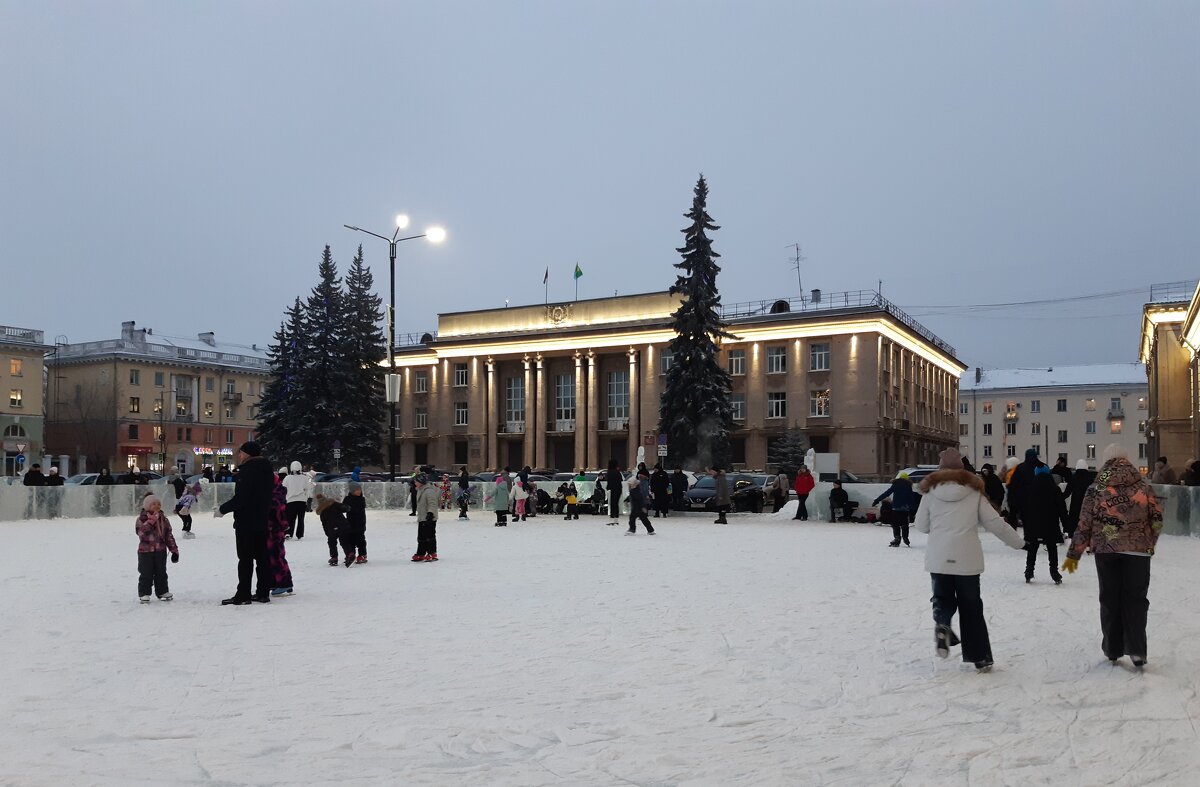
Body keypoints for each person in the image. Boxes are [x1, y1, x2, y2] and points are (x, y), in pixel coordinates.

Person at [914, 448, 1027, 673]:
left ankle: (943, 624)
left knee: (942, 599)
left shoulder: (930, 493)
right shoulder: (974, 493)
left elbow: (921, 526)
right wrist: (1019, 543)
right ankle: (980, 658)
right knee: (972, 606)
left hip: (939, 558)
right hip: (967, 560)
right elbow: (995, 523)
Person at [1063, 444, 1163, 669]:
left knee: (1109, 598)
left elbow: (1085, 522)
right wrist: (1148, 542)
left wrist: (1074, 554)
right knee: (1136, 600)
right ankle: (1137, 650)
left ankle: (1112, 648)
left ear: (1106, 462)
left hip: (1106, 551)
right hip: (1137, 552)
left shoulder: (1096, 488)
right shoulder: (1144, 487)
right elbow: (1157, 519)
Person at [215, 441, 275, 605]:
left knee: (245, 559)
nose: (239, 456)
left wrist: (222, 509)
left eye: (240, 453)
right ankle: (263, 592)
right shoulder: (267, 470)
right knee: (262, 557)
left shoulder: (247, 471)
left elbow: (242, 499)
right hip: (262, 520)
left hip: (246, 522)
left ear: (247, 453)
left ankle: (243, 595)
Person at [1023, 465, 1066, 584]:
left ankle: (1028, 571)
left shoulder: (1029, 489)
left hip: (1033, 524)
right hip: (1050, 524)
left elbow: (1024, 508)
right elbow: (1061, 509)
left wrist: (1025, 523)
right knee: (1052, 547)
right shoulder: (1055, 489)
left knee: (1033, 547)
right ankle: (1054, 573)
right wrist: (1066, 524)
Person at [135, 494, 180, 603]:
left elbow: (168, 535)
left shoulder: (164, 519)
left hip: (160, 551)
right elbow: (141, 532)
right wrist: (151, 521)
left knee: (161, 572)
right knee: (146, 572)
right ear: (147, 506)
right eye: (154, 504)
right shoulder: (141, 519)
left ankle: (162, 591)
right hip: (145, 551)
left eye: (158, 504)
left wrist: (174, 550)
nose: (157, 506)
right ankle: (144, 593)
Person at [266, 471, 295, 595]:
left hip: (274, 530)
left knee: (276, 556)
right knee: (276, 556)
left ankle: (283, 583)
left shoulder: (274, 496)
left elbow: (278, 514)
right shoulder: (277, 493)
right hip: (275, 529)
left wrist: (279, 525)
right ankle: (280, 582)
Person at [873, 472, 918, 547]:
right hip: (905, 508)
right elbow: (911, 498)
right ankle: (905, 537)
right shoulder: (908, 486)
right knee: (904, 524)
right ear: (907, 479)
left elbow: (886, 493)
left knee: (895, 523)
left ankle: (897, 538)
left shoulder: (896, 484)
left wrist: (877, 500)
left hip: (896, 507)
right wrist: (913, 509)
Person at [1005, 448, 1043, 528]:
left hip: (1023, 499)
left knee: (1026, 521)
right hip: (1038, 498)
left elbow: (1013, 484)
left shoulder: (1021, 468)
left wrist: (1011, 499)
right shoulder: (1042, 466)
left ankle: (1028, 538)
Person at [314, 493, 354, 567]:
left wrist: (327, 533)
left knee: (332, 543)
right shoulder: (334, 505)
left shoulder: (323, 512)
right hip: (343, 526)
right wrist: (346, 507)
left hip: (333, 529)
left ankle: (334, 557)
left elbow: (324, 524)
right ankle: (349, 554)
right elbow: (343, 507)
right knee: (344, 541)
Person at [1064, 459, 1095, 538]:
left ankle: (1072, 534)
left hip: (1075, 503)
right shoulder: (1090, 477)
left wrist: (1059, 497)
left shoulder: (1074, 477)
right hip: (1087, 502)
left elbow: (1067, 492)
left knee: (1074, 519)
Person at [282, 461, 313, 539]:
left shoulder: (287, 478)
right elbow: (308, 488)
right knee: (301, 519)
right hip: (301, 501)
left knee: (290, 518)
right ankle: (299, 534)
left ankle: (289, 533)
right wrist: (305, 497)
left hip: (290, 501)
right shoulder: (304, 478)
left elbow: (283, 488)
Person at [412, 473, 439, 561]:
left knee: (429, 536)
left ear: (421, 481)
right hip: (422, 517)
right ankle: (421, 552)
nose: (415, 483)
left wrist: (430, 513)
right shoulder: (420, 490)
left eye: (416, 481)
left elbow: (432, 503)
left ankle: (432, 553)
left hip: (429, 518)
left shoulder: (429, 491)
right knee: (421, 537)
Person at [342, 482, 368, 564]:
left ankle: (362, 555)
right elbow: (343, 508)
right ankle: (351, 555)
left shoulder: (361, 499)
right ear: (352, 491)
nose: (359, 491)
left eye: (360, 490)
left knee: (361, 541)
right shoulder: (347, 499)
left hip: (360, 524)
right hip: (350, 524)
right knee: (350, 541)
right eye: (357, 490)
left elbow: (359, 509)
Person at [605, 459, 623, 526]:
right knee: (616, 504)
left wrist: (608, 487)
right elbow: (620, 480)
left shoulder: (609, 472)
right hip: (619, 489)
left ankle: (612, 518)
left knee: (612, 503)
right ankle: (616, 519)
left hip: (613, 489)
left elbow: (609, 481)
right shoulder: (617, 471)